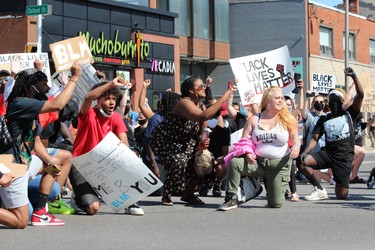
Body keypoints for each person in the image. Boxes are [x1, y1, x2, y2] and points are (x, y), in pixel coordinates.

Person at [2, 61, 82, 226]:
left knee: (58, 160)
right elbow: (57, 104)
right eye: (43, 83)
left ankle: (40, 211)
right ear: (32, 86)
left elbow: (34, 139)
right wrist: (74, 77)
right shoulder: (20, 103)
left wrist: (48, 159)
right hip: (11, 167)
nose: (47, 88)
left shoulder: (31, 107)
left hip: (26, 163)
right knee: (20, 221)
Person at [150, 75, 235, 206]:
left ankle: (188, 194)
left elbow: (203, 130)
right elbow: (202, 116)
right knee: (179, 160)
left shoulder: (201, 106)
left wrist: (203, 142)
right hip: (166, 140)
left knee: (206, 162)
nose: (204, 87)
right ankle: (167, 194)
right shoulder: (184, 103)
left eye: (204, 86)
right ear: (191, 90)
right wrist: (223, 98)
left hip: (186, 142)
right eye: (200, 86)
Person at [218, 86, 300, 211]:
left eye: (282, 98)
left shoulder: (288, 119)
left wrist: (296, 146)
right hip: (258, 163)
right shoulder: (254, 119)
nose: (280, 101)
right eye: (277, 98)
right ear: (267, 101)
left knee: (275, 203)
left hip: (279, 166)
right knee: (236, 162)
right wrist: (247, 153)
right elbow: (244, 141)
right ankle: (231, 198)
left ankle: (257, 188)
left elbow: (295, 139)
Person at [70, 77, 144, 216]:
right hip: (82, 164)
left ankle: (130, 201)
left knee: (131, 155)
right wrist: (111, 83)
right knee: (93, 208)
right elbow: (87, 97)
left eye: (114, 99)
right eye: (107, 99)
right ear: (98, 101)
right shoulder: (88, 113)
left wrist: (123, 148)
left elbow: (125, 142)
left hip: (103, 165)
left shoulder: (115, 117)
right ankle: (78, 197)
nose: (111, 102)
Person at [299, 67, 364, 201]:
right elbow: (315, 138)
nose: (334, 104)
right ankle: (319, 189)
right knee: (302, 162)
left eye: (337, 101)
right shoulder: (324, 118)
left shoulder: (350, 114)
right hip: (328, 154)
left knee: (340, 195)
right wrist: (305, 151)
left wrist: (354, 77)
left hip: (344, 157)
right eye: (331, 101)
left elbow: (360, 95)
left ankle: (340, 181)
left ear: (342, 102)